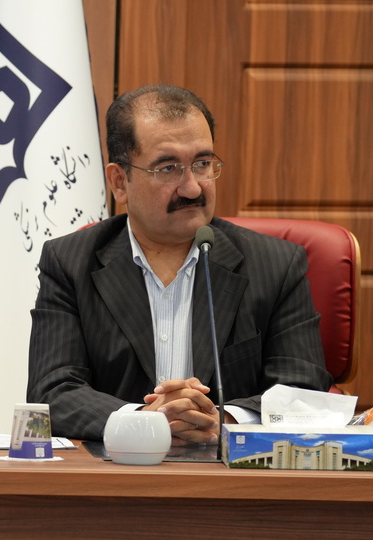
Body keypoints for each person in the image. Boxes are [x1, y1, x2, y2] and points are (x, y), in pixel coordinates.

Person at [27, 85, 330, 442]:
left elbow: (303, 389)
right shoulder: (69, 263)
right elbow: (53, 392)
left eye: (202, 164)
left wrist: (221, 417)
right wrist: (146, 419)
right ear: (120, 182)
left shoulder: (276, 265)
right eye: (168, 168)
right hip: (119, 467)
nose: (193, 188)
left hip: (227, 468)